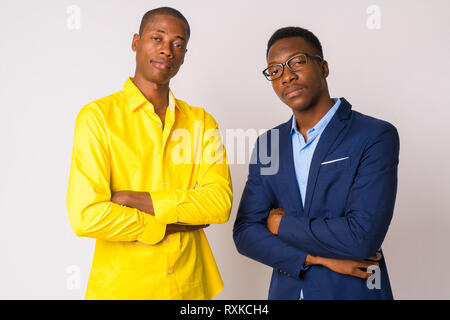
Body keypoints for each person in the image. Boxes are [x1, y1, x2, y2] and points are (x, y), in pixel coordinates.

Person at [66, 7, 232, 299]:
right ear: (135, 42)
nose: (167, 50)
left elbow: (218, 205)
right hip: (124, 289)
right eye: (158, 38)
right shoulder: (97, 118)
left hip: (190, 288)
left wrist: (134, 199)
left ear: (183, 55)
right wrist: (165, 225)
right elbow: (86, 216)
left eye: (178, 44)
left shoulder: (201, 122)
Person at [233, 26, 399, 300]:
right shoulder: (269, 144)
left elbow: (361, 237)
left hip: (352, 291)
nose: (287, 76)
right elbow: (246, 233)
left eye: (297, 62)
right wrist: (316, 259)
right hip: (286, 292)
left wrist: (279, 225)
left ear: (323, 67)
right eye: (275, 71)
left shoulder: (374, 135)